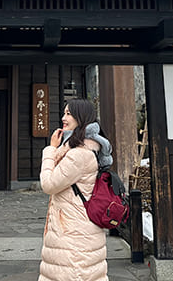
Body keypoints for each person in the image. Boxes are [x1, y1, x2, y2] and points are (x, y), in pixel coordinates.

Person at [38, 98, 113, 281]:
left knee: (72, 274)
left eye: (69, 114)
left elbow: (48, 184)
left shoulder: (80, 154)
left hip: (73, 233)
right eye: (64, 113)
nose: (64, 118)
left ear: (82, 117)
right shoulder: (80, 147)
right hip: (78, 227)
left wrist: (50, 149)